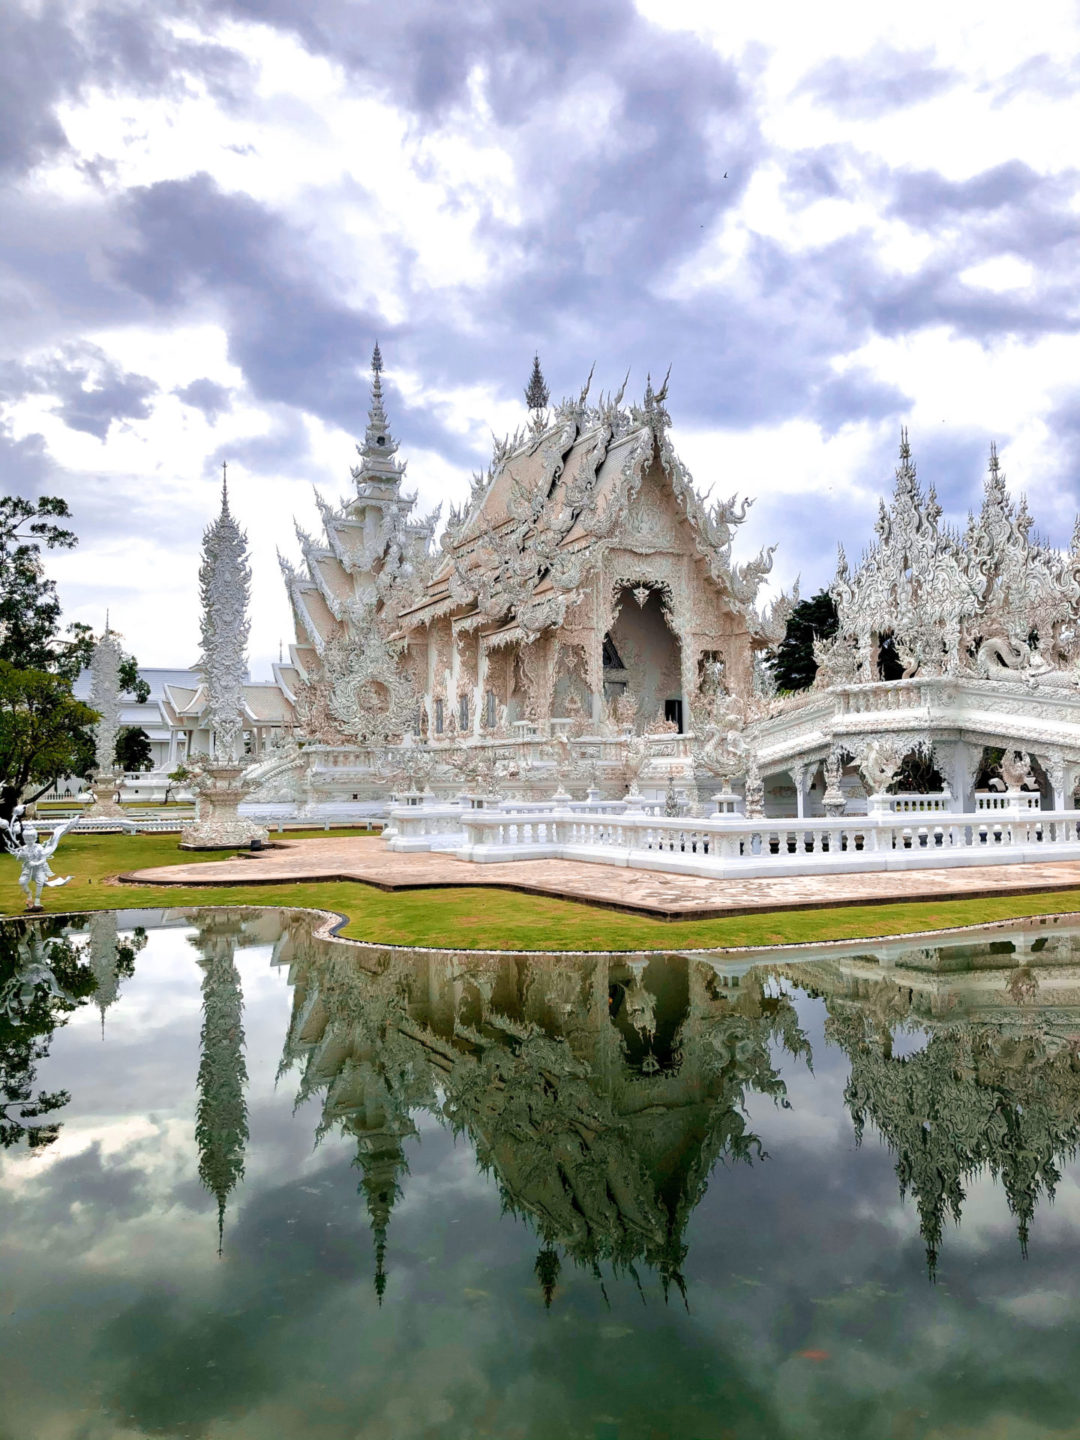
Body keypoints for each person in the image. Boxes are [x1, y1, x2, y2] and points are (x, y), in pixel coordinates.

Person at [0, 813, 80, 910]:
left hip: (38, 869)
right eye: (27, 839)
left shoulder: (39, 847)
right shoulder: (24, 848)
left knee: (40, 882)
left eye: (31, 839)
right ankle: (29, 895)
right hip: (27, 869)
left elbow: (43, 859)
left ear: (34, 838)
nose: (29, 841)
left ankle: (37, 900)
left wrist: (36, 863)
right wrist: (21, 855)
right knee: (22, 882)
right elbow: (18, 858)